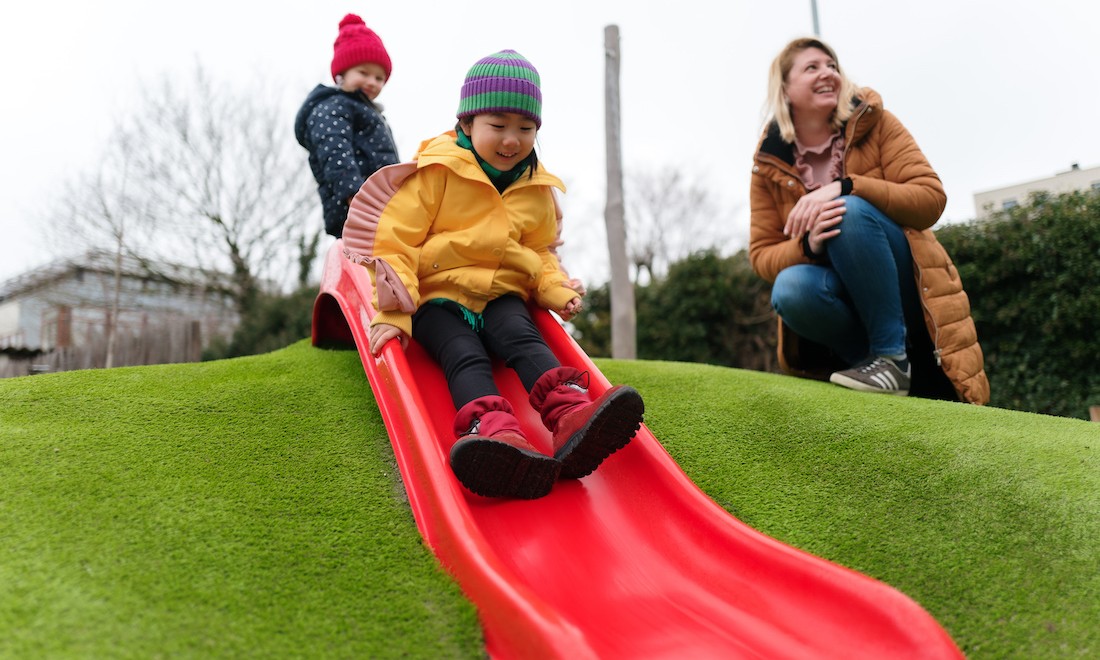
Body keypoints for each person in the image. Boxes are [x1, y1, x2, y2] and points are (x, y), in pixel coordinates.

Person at [341, 50, 645, 499]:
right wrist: (394, 312)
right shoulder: (435, 175)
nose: (511, 140)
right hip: (438, 297)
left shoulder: (537, 190)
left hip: (502, 292)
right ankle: (494, 433)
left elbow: (540, 251)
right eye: (498, 126)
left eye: (525, 129)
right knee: (464, 354)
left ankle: (570, 417)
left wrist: (555, 289)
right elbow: (396, 244)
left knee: (523, 338)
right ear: (466, 126)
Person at [748, 37, 989, 404]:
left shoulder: (876, 123)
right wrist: (808, 244)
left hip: (904, 283)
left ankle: (894, 358)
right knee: (790, 287)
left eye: (832, 65)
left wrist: (846, 186)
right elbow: (762, 256)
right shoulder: (769, 166)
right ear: (784, 88)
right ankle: (874, 364)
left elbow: (930, 198)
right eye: (812, 67)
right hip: (839, 296)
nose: (827, 73)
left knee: (849, 209)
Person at [295, 13, 400, 238]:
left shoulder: (371, 113)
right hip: (354, 208)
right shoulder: (333, 107)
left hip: (384, 209)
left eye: (379, 78)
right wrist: (354, 195)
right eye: (363, 73)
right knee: (362, 266)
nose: (372, 81)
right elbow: (334, 150)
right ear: (341, 74)